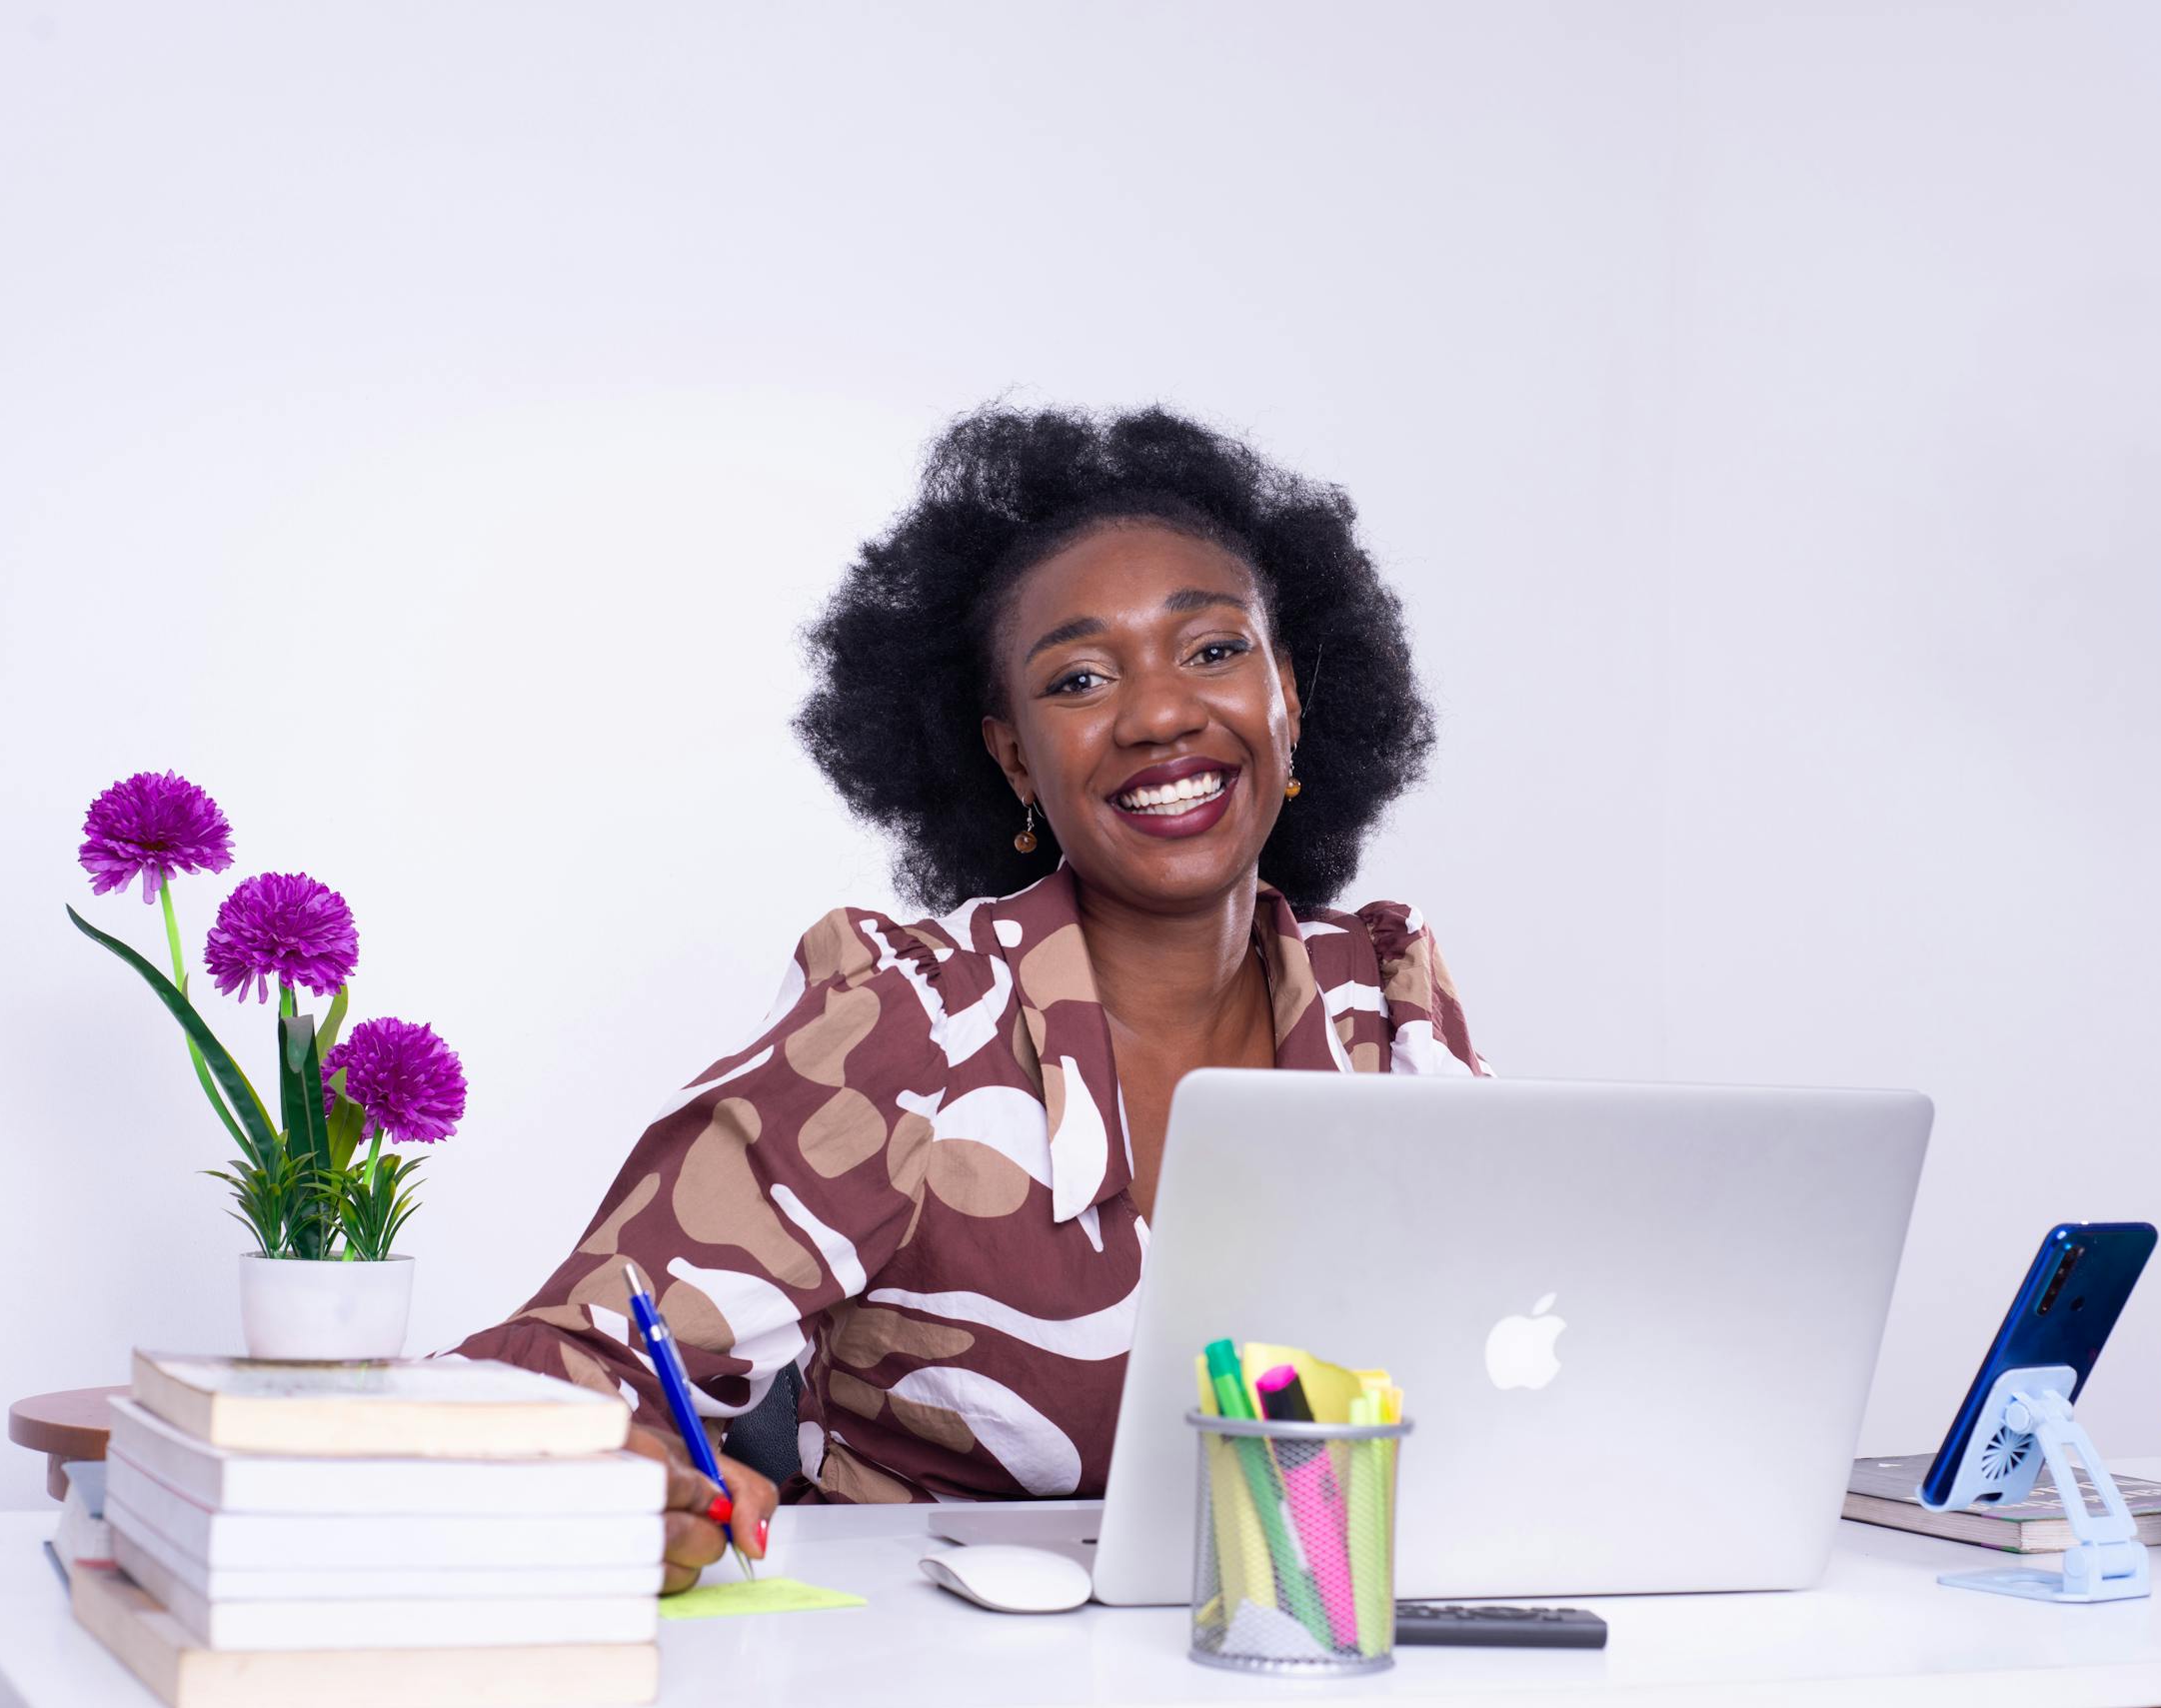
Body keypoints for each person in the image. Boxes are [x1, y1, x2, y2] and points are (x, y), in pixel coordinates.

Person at [455, 404, 1484, 1592]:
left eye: (1212, 650)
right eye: (1081, 677)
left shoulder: (1385, 1002)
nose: (1158, 714)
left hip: (1300, 1647)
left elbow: (1496, 1360)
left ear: (1289, 694)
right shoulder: (908, 1025)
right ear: (1012, 758)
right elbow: (554, 1365)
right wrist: (621, 1478)